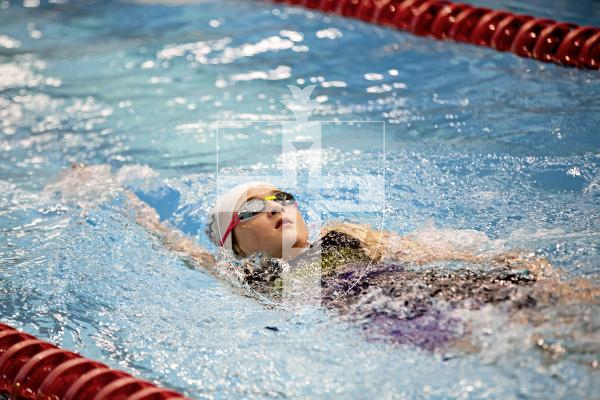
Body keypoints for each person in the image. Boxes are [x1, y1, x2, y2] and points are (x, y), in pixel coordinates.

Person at [54, 164, 600, 356]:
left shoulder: (344, 235)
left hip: (432, 286)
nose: (276, 207)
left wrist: (512, 258)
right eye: (253, 207)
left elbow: (437, 251)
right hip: (393, 320)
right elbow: (168, 243)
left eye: (282, 196)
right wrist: (107, 193)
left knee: (564, 303)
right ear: (235, 242)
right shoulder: (253, 276)